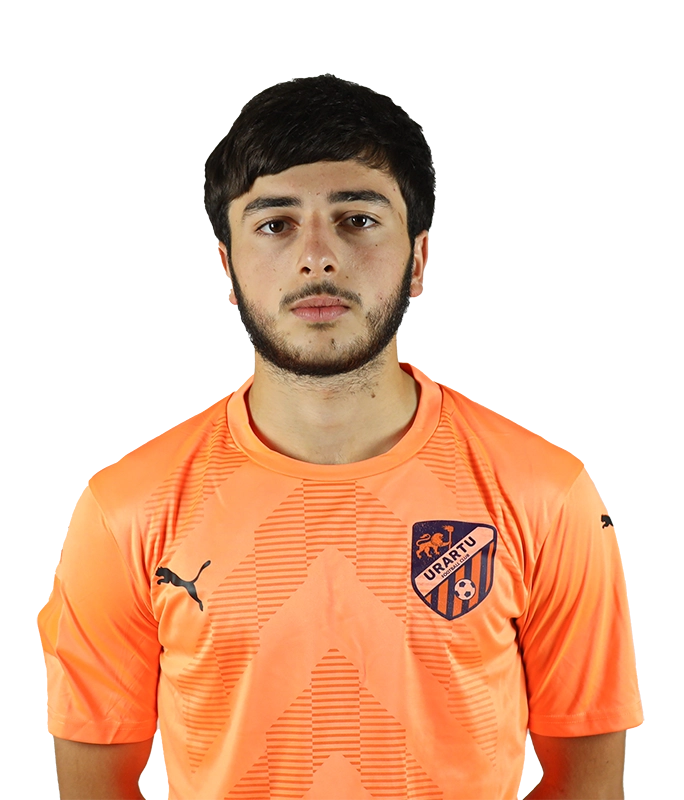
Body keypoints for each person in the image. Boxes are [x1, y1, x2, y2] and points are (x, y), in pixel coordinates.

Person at [37, 74, 643, 800]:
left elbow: (588, 785)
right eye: (275, 224)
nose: (317, 257)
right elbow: (92, 788)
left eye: (357, 219)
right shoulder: (122, 510)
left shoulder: (549, 494)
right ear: (226, 266)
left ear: (419, 258)